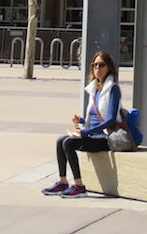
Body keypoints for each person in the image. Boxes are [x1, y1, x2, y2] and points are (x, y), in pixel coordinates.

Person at [42, 50, 123, 198]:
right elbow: (95, 119)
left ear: (109, 67)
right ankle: (62, 181)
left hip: (105, 138)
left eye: (101, 65)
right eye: (94, 65)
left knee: (69, 143)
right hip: (93, 134)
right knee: (61, 140)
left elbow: (110, 120)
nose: (97, 69)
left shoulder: (113, 89)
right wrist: (82, 122)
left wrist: (88, 132)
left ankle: (79, 185)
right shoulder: (95, 89)